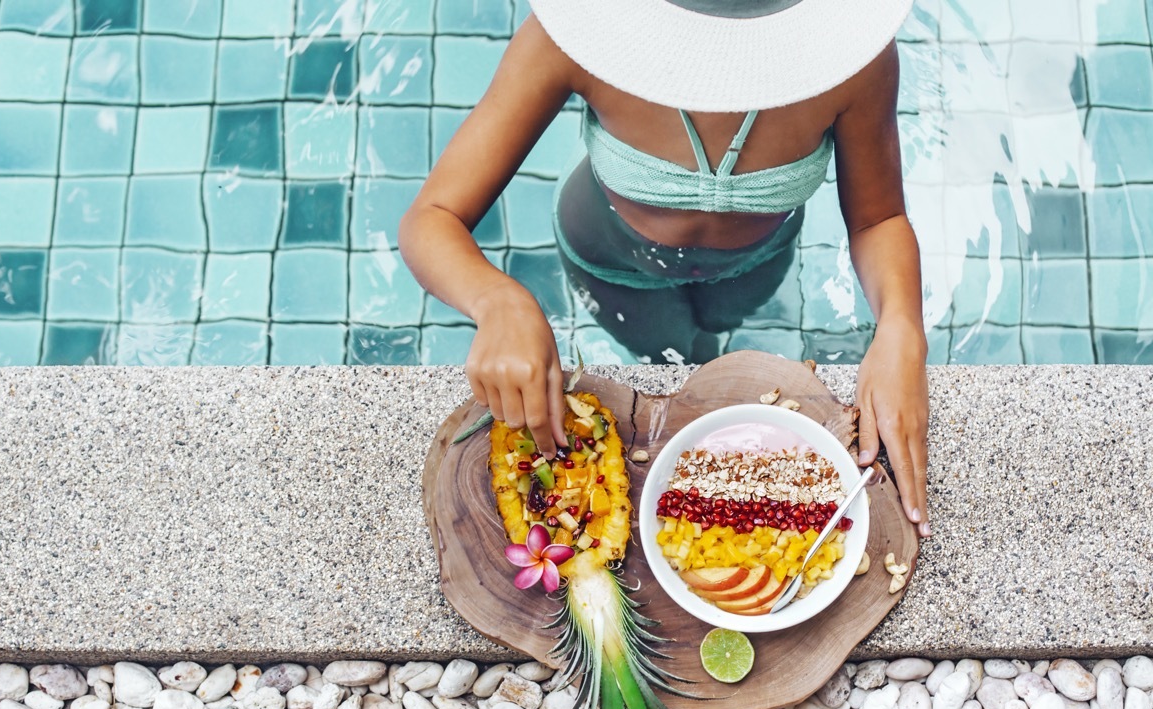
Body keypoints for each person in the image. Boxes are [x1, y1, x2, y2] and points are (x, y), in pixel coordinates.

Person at [399, 0, 931, 536]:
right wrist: (499, 302)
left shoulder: (853, 59)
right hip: (616, 269)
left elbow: (877, 218)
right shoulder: (578, 34)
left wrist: (903, 328)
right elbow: (432, 218)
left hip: (756, 262)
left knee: (721, 339)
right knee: (687, 366)